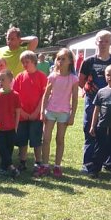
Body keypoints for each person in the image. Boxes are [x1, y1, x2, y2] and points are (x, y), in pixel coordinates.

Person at [78, 30, 111, 172]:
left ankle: (109, 162)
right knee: (90, 130)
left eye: (106, 41)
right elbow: (81, 81)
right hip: (92, 103)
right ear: (96, 42)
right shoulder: (88, 61)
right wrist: (87, 87)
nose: (103, 44)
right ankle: (88, 164)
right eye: (101, 41)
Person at [40, 48, 78, 178]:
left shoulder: (73, 79)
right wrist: (42, 112)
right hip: (50, 111)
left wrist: (72, 115)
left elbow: (75, 98)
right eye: (58, 59)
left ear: (70, 61)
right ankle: (45, 165)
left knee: (60, 139)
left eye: (63, 59)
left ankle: (57, 166)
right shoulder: (52, 76)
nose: (60, 61)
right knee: (46, 139)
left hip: (64, 113)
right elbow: (46, 95)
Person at [12, 50, 48, 175]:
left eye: (27, 62)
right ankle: (22, 161)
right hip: (22, 115)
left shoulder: (42, 77)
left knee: (36, 139)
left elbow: (44, 96)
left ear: (34, 61)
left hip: (36, 115)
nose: (24, 64)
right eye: (23, 62)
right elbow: (15, 95)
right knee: (22, 139)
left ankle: (38, 162)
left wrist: (36, 112)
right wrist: (21, 112)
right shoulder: (20, 77)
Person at [0, 70, 21, 178]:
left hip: (10, 128)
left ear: (10, 80)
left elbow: (18, 112)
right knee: (2, 148)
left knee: (8, 149)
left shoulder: (15, 95)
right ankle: (11, 167)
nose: (0, 82)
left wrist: (16, 127)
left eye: (3, 79)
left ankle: (4, 168)